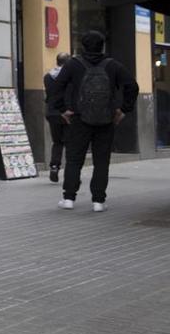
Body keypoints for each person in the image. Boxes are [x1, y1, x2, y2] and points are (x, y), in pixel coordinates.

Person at [49, 30, 138, 212]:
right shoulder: (112, 65)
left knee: (74, 159)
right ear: (102, 46)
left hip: (79, 118)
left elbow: (56, 87)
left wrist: (63, 110)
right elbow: (132, 86)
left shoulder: (73, 64)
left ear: (83, 46)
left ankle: (69, 198)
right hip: (106, 120)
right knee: (101, 160)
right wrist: (123, 109)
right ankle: (98, 201)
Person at [43, 52, 71, 182]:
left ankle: (54, 166)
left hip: (52, 113)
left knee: (57, 142)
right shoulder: (70, 77)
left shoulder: (47, 77)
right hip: (67, 113)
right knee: (71, 143)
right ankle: (72, 172)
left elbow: (49, 95)